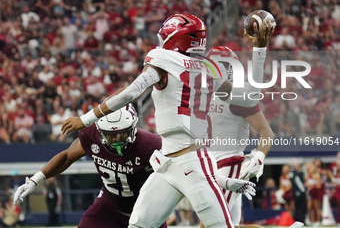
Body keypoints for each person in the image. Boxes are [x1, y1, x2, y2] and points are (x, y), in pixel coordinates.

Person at [60, 13, 274, 228]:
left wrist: (86, 118)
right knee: (138, 225)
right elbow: (250, 97)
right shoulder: (211, 68)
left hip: (193, 163)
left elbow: (130, 93)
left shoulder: (162, 59)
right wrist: (260, 51)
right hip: (167, 162)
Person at [13, 105, 167, 228]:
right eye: (111, 135)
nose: (117, 139)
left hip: (147, 211)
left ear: (133, 127)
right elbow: (67, 157)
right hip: (110, 206)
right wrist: (35, 180)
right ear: (100, 131)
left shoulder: (151, 145)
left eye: (122, 133)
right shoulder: (92, 135)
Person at [200, 46, 274, 228]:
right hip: (207, 165)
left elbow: (266, 132)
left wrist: (259, 156)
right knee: (229, 225)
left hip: (229, 163)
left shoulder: (238, 96)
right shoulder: (201, 93)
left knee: (210, 223)